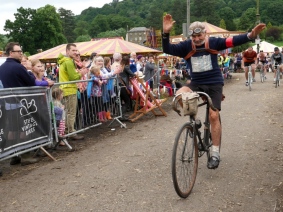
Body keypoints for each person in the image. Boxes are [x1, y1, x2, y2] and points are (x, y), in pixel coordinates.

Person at [162, 14, 265, 169]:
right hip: (196, 82)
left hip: (214, 83)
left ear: (205, 34)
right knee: (178, 95)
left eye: (199, 35)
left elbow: (232, 40)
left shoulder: (214, 42)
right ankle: (193, 120)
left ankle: (215, 153)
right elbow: (167, 48)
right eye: (194, 36)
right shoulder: (186, 46)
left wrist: (251, 35)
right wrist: (165, 33)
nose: (196, 39)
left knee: (213, 115)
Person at [0, 42, 39, 167]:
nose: (21, 53)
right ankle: (25, 156)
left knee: (12, 130)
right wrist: (28, 71)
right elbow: (31, 82)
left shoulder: (2, 67)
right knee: (24, 129)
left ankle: (14, 156)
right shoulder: (18, 67)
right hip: (21, 104)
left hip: (8, 104)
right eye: (19, 51)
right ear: (11, 53)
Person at [57, 43, 87, 140]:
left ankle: (68, 131)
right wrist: (81, 73)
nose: (75, 52)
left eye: (76, 50)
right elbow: (72, 77)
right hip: (69, 90)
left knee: (68, 112)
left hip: (65, 89)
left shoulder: (63, 61)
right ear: (67, 51)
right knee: (71, 112)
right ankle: (71, 132)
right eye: (73, 50)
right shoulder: (68, 61)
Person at [118, 55, 135, 121]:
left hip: (119, 85)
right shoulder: (126, 67)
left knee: (122, 101)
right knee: (127, 101)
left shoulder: (120, 66)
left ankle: (121, 115)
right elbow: (132, 74)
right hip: (123, 85)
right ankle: (122, 116)